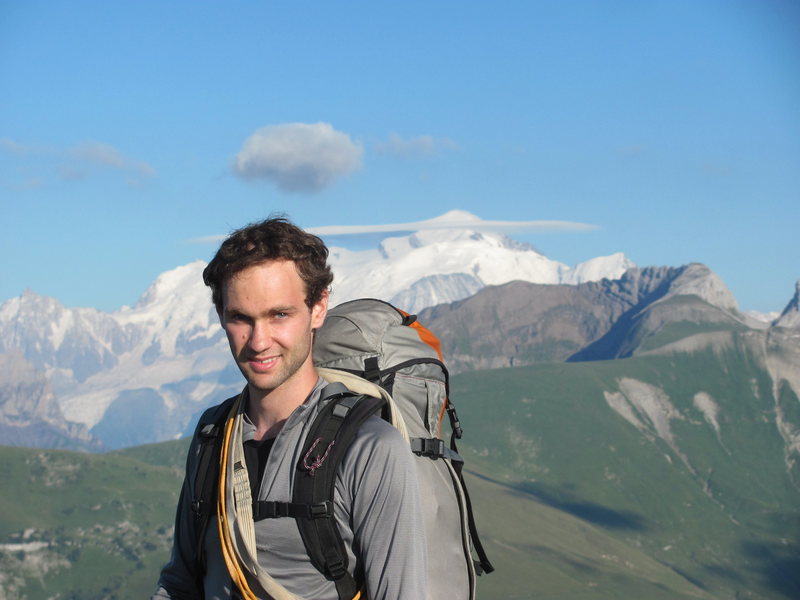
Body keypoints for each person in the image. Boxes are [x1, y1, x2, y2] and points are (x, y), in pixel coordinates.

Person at [153, 217, 426, 600]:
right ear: (221, 317)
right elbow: (181, 581)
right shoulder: (213, 434)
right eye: (240, 318)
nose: (259, 341)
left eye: (279, 315)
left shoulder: (370, 447)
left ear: (318, 308)